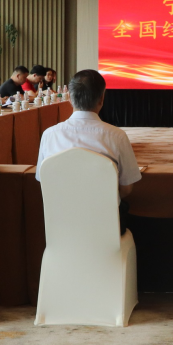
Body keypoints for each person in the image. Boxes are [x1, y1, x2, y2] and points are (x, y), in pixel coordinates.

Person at [37, 70, 140, 234]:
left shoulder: (49, 135)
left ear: (69, 98)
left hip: (61, 226)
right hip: (106, 226)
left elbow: (44, 181)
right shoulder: (117, 136)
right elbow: (126, 189)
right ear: (102, 99)